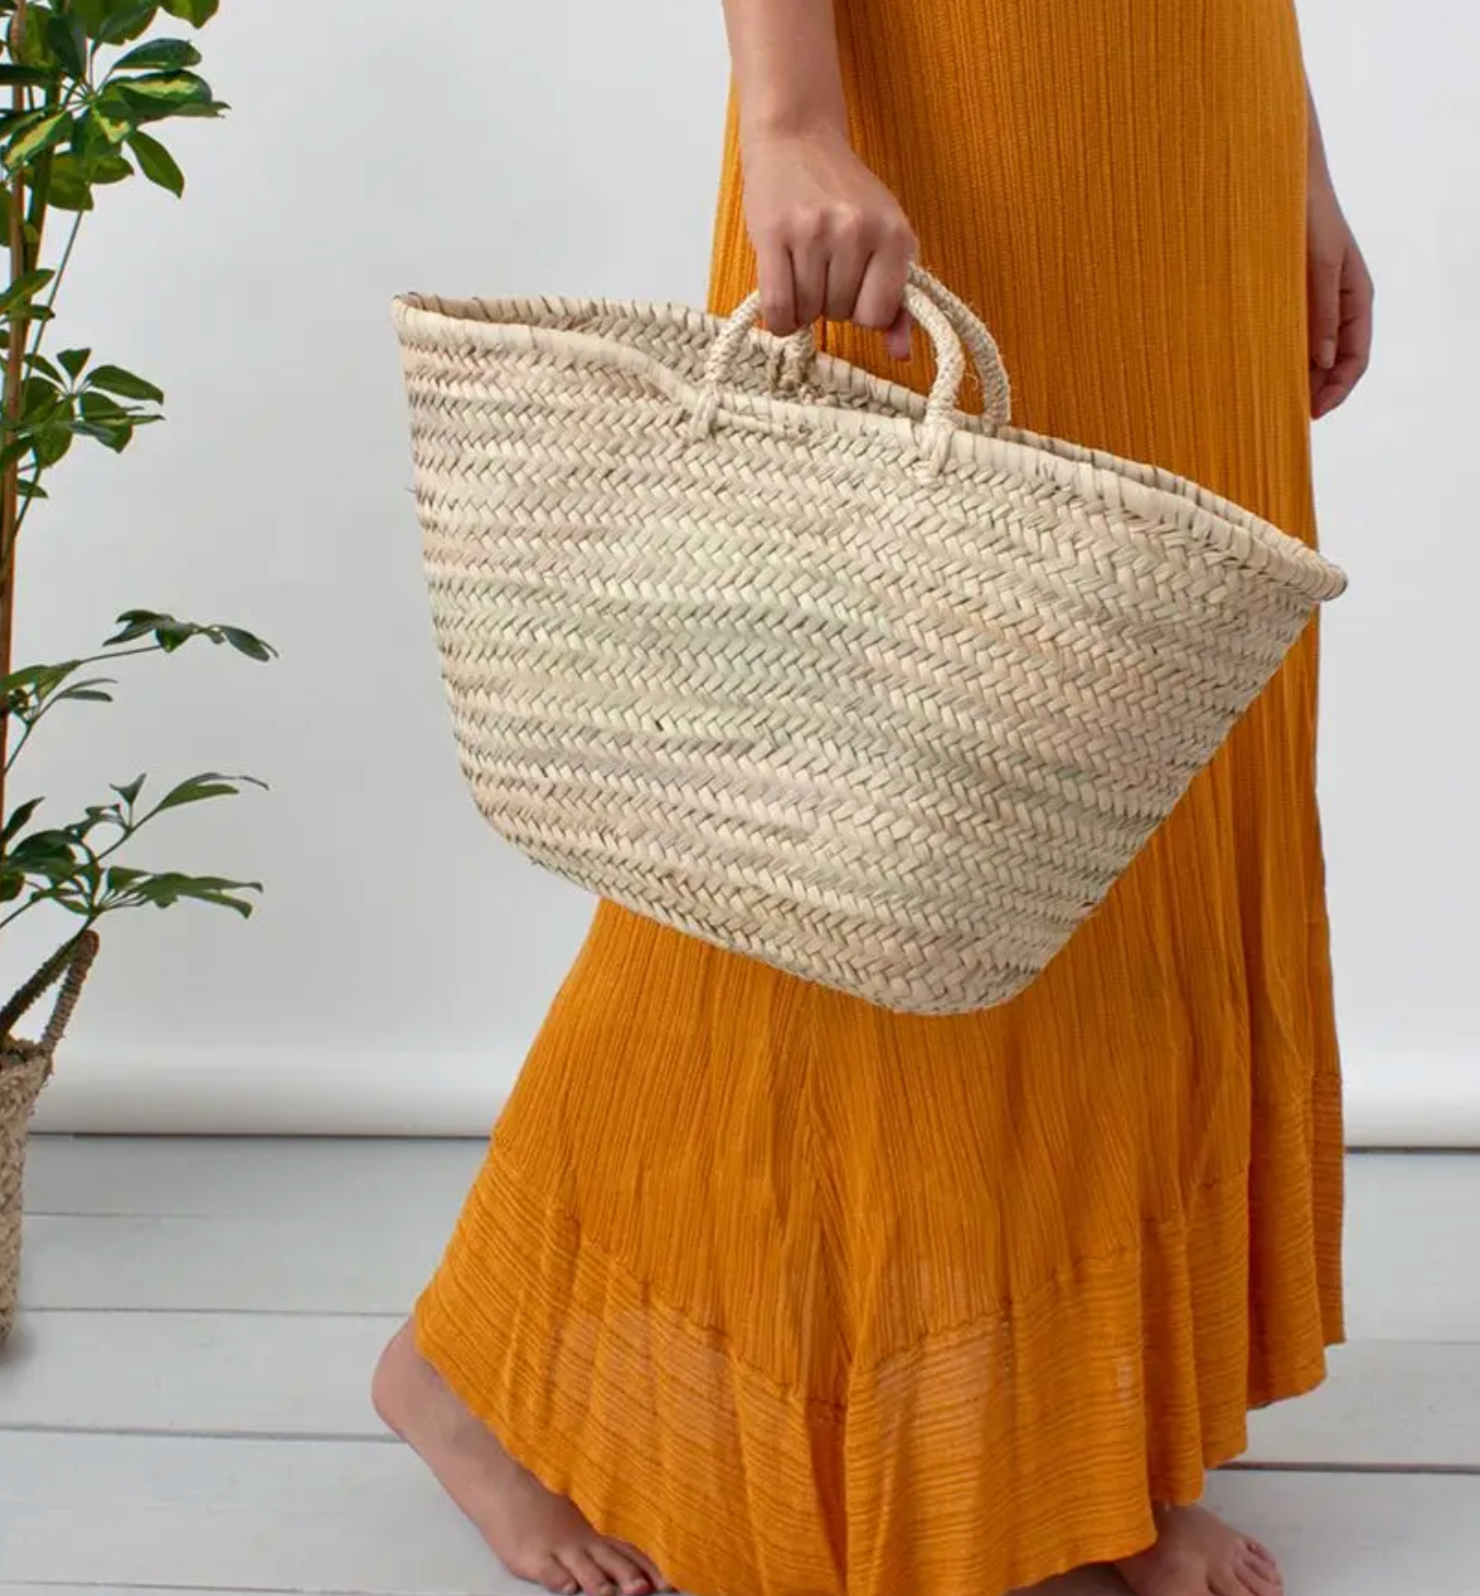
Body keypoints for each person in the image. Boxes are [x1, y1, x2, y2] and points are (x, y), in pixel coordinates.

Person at [375, 0, 1373, 1593]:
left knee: (1124, 786)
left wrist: (1294, 152)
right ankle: (466, 1365)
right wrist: (784, 114)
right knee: (833, 817)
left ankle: (1075, 1445)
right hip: (956, 109)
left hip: (1192, 134)